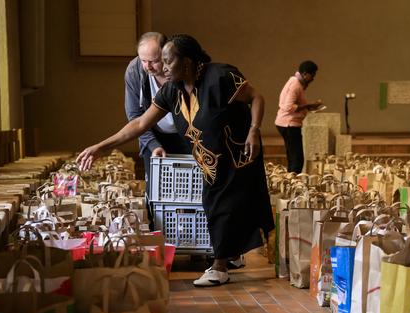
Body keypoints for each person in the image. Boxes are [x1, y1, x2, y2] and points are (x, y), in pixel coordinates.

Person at [77, 34, 274, 286]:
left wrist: (254, 130)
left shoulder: (221, 77)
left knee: (220, 204)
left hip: (239, 154)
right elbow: (139, 123)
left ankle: (219, 266)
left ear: (188, 63)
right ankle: (229, 256)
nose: (164, 68)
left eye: (168, 62)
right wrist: (100, 147)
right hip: (210, 160)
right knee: (218, 204)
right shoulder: (172, 90)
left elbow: (257, 97)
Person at [125, 32, 191, 230]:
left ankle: (194, 237)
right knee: (157, 192)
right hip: (153, 133)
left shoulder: (179, 68)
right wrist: (154, 145)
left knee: (189, 189)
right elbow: (135, 117)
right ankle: (161, 240)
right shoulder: (135, 71)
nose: (148, 67)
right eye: (143, 60)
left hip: (186, 132)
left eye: (153, 61)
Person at [274, 61, 323, 173]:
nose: (313, 79)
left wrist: (309, 107)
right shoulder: (295, 85)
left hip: (285, 123)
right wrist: (309, 105)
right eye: (313, 75)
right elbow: (288, 107)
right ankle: (295, 185)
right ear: (305, 74)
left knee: (292, 157)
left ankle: (290, 182)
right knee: (297, 159)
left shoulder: (294, 81)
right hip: (289, 124)